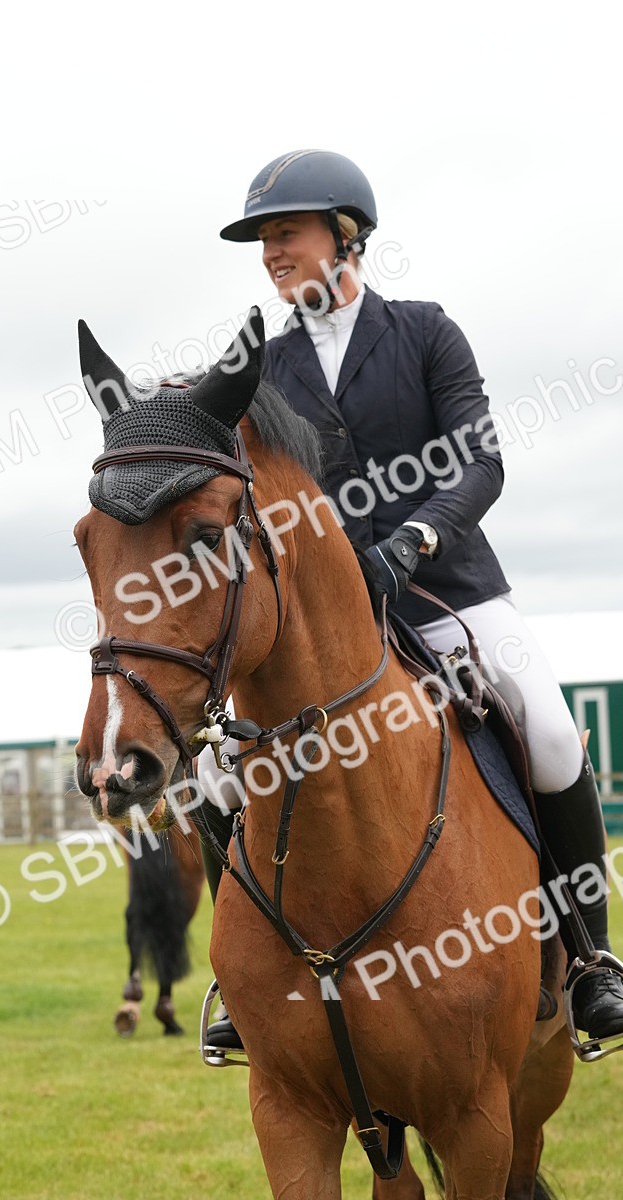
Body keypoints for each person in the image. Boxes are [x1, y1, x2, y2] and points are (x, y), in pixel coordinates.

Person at [203, 148, 623, 1051]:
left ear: (345, 235)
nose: (271, 253)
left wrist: (414, 537)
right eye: (262, 241)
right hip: (322, 625)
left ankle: (590, 956)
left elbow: (482, 461)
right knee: (214, 769)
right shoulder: (261, 371)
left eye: (286, 234)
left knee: (549, 730)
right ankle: (238, 990)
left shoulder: (428, 332)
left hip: (448, 589)